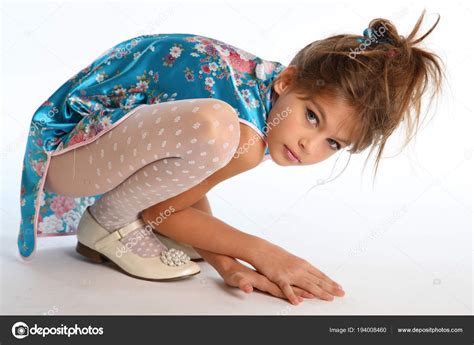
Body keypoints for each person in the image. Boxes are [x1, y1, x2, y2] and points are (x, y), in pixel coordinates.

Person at [18, 10, 443, 305]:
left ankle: (111, 225)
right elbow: (159, 209)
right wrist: (263, 252)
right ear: (288, 81)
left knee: (213, 129)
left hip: (86, 154)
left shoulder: (259, 99)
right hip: (65, 152)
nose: (311, 145)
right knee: (213, 124)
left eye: (333, 143)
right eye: (313, 117)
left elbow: (178, 193)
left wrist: (227, 264)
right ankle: (107, 224)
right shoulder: (242, 130)